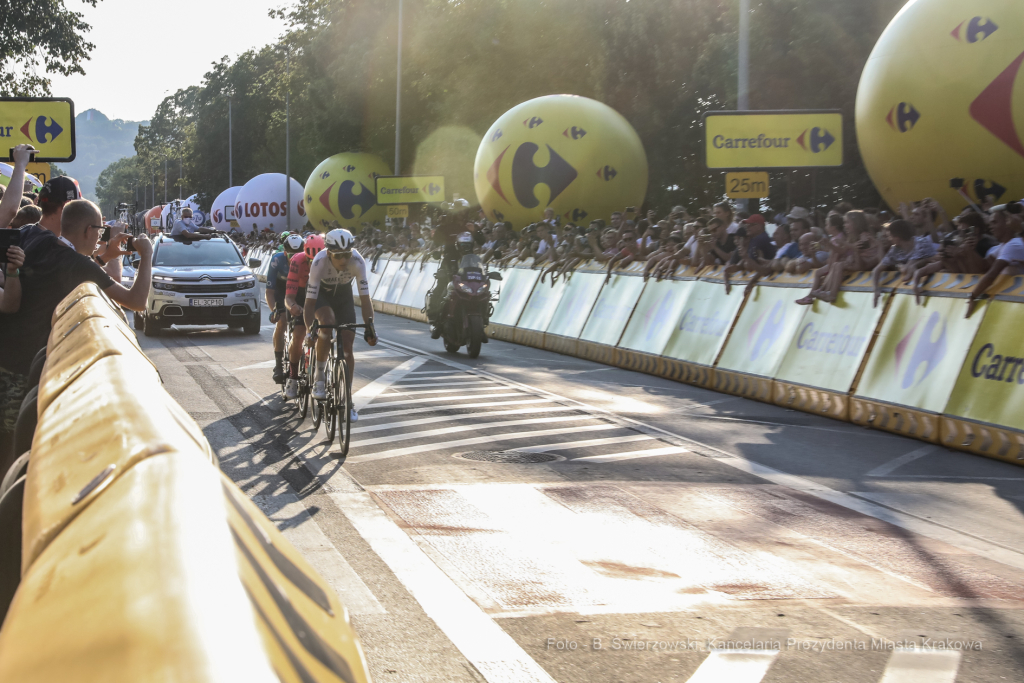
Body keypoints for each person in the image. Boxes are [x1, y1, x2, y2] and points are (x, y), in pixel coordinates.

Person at [0, 199, 152, 446]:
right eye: (100, 231)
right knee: (17, 450)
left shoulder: (36, 237)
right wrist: (147, 255)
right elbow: (135, 301)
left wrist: (103, 257)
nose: (99, 237)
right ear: (87, 231)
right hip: (24, 372)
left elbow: (61, 270)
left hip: (5, 357)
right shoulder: (78, 264)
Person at [304, 229, 376, 417]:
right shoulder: (319, 262)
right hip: (322, 296)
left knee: (348, 347)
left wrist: (370, 327)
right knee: (327, 322)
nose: (344, 260)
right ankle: (320, 378)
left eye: (347, 254)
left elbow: (365, 299)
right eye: (339, 256)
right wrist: (309, 331)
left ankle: (348, 400)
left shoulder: (358, 261)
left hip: (343, 296)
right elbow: (309, 303)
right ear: (329, 253)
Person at [282, 234, 324, 399]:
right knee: (298, 334)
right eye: (310, 261)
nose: (313, 265)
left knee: (324, 331)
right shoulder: (297, 261)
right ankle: (292, 377)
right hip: (300, 294)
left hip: (319, 294)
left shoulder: (328, 261)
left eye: (317, 261)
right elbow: (289, 296)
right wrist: (293, 307)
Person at [966, 203, 1024, 317]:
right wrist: (969, 251)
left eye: (994, 222)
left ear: (1007, 223)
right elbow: (983, 267)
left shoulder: (1013, 244)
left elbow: (992, 274)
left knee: (1008, 270)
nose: (990, 226)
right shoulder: (1003, 246)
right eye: (990, 223)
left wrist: (972, 297)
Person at [872, 219, 938, 307]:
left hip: (933, 283)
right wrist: (876, 289)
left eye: (889, 236)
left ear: (897, 238)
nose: (888, 239)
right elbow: (876, 270)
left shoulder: (921, 243)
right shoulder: (894, 249)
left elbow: (907, 271)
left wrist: (899, 266)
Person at [266, 233, 305, 383]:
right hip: (281, 290)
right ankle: (278, 365)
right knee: (281, 321)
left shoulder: (306, 260)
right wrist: (274, 311)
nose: (294, 257)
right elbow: (269, 291)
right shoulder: (277, 260)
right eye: (290, 254)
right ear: (284, 252)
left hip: (298, 290)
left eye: (297, 254)